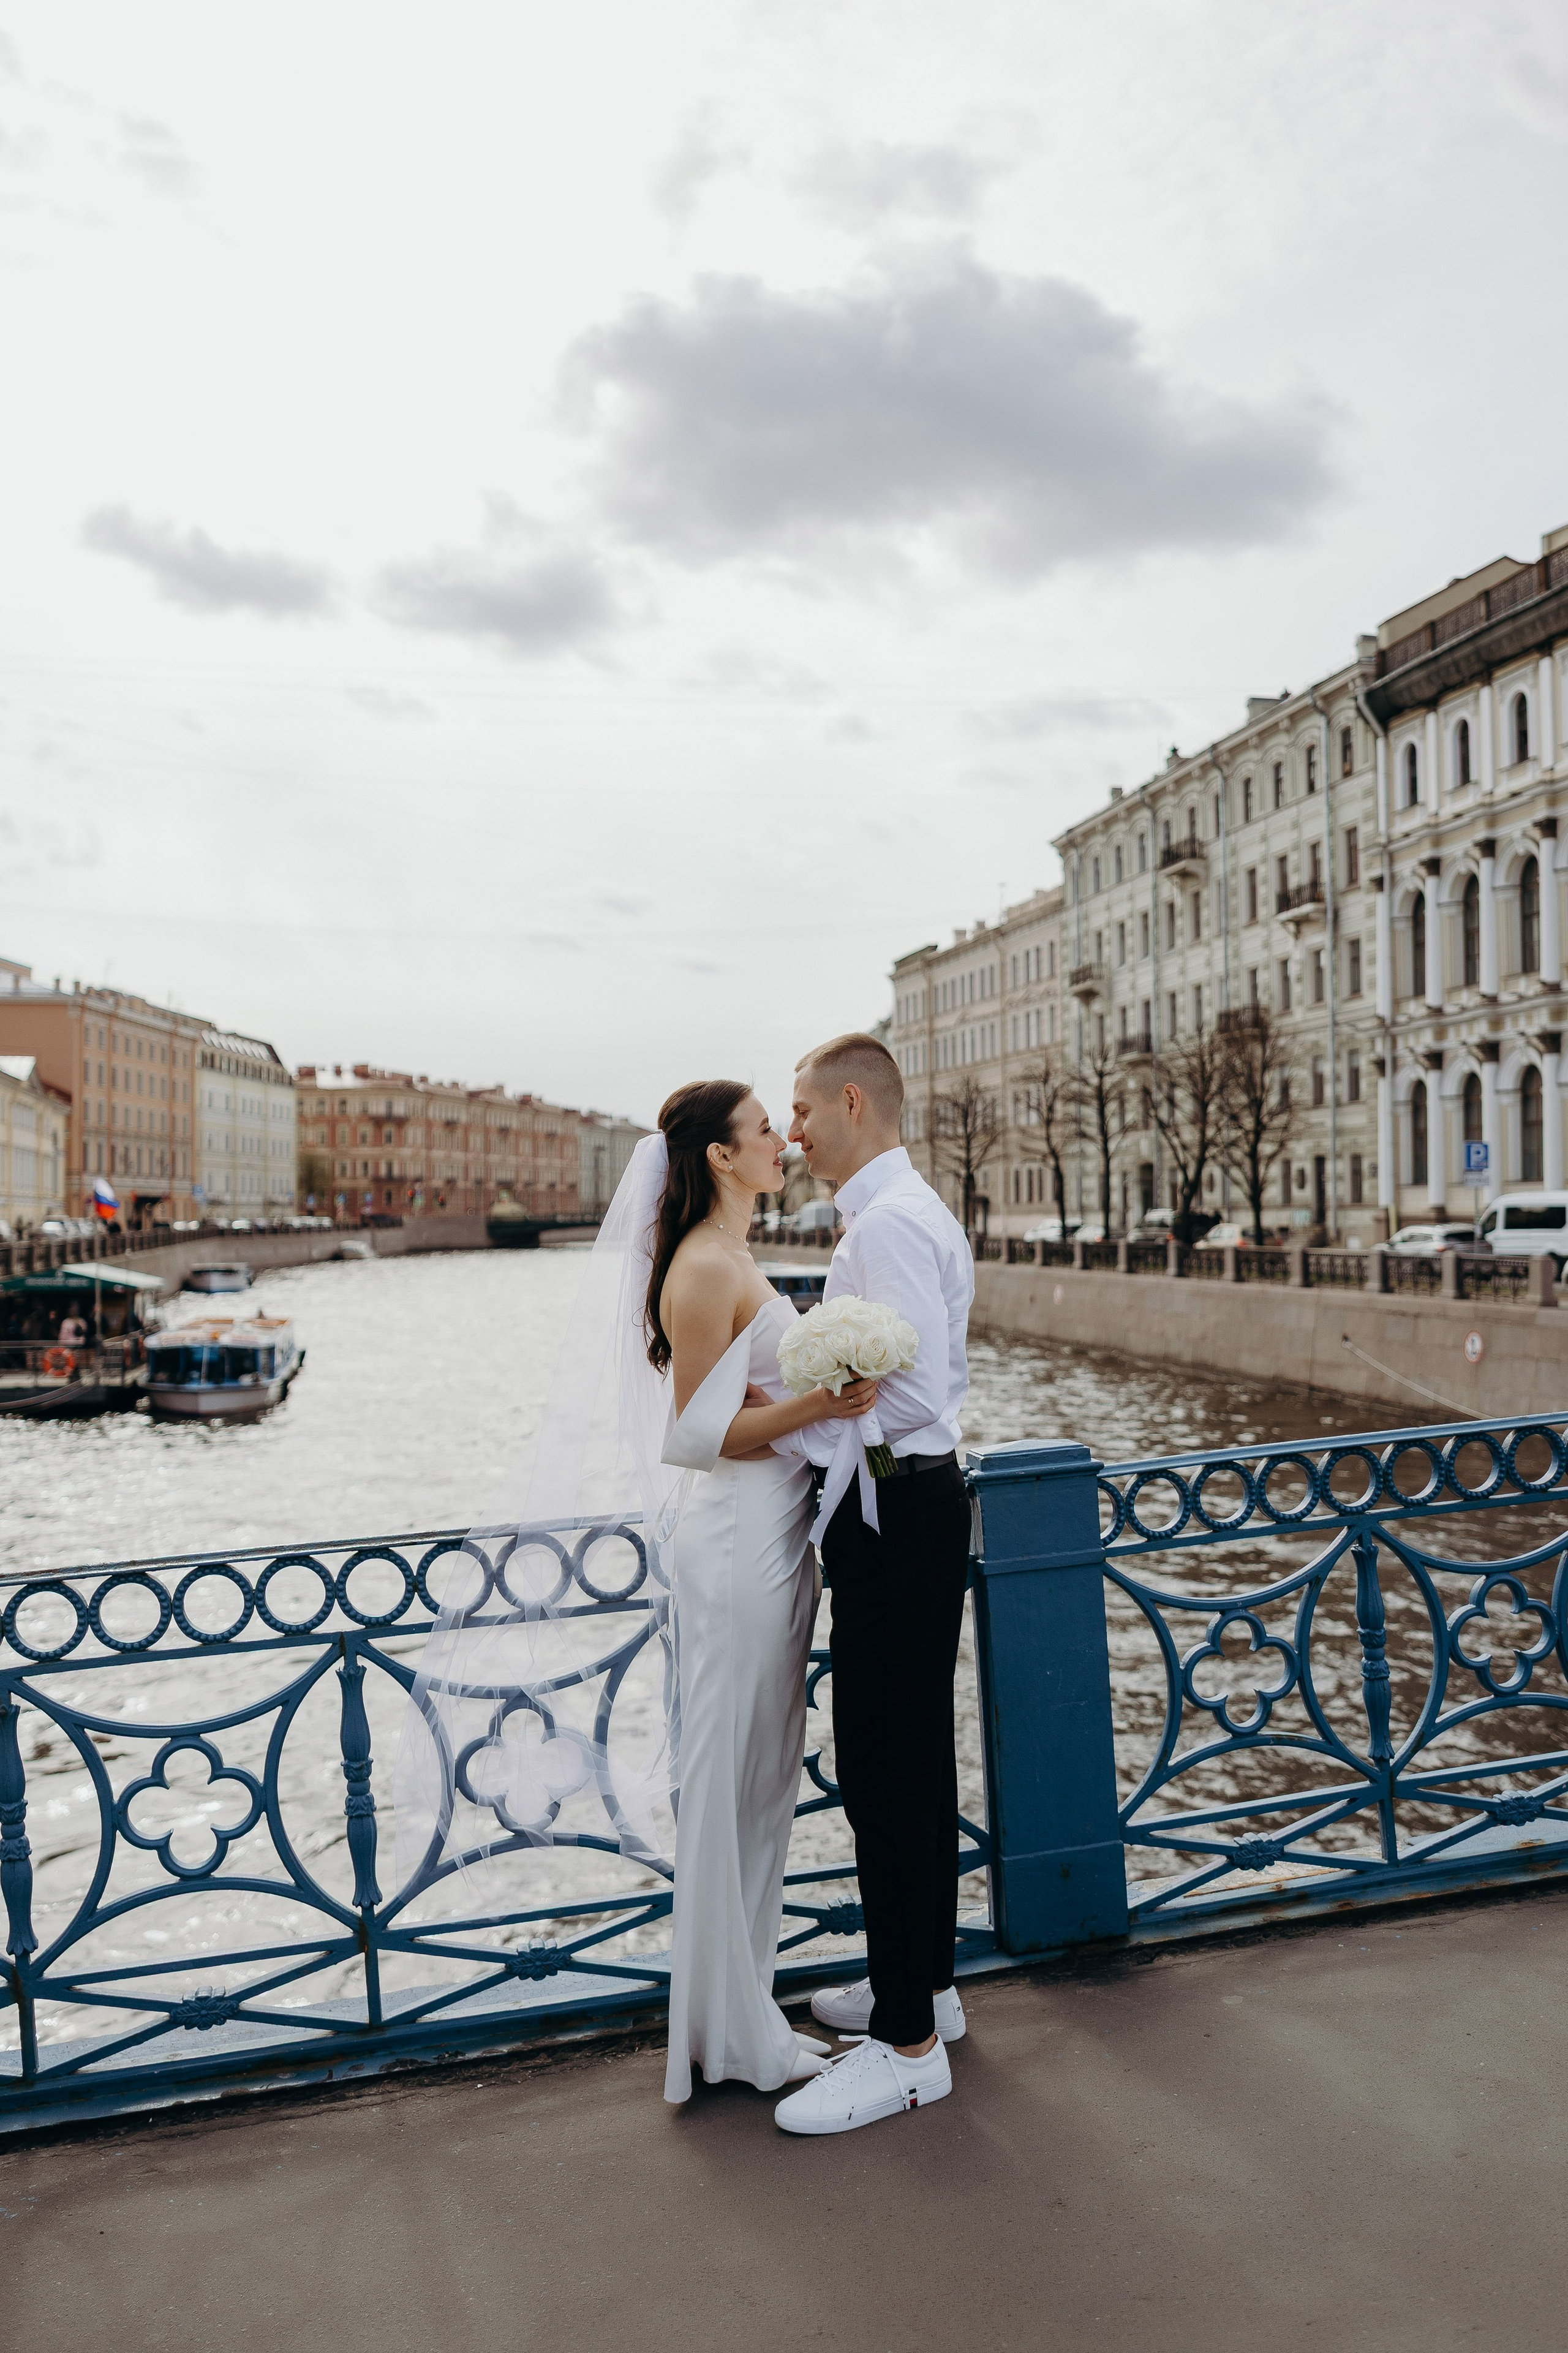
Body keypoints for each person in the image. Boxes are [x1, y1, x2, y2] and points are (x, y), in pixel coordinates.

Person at [655, 1079, 882, 2103]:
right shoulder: (704, 1268)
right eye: (761, 1133)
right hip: (739, 1542)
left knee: (762, 1784)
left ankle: (739, 2007)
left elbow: (744, 1407)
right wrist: (816, 1404)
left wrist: (793, 1402)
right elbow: (697, 1438)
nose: (780, 1146)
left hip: (777, 1539)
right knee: (731, 1783)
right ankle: (733, 2033)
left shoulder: (736, 1257)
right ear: (720, 1156)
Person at [770, 1032, 975, 2139]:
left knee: (886, 1774)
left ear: (853, 1102)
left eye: (803, 1109)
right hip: (914, 1507)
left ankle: (905, 2051)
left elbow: (917, 1395)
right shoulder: (909, 1210)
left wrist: (825, 1409)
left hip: (896, 1511)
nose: (793, 1129)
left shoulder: (887, 1222)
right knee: (908, 1765)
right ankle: (925, 1987)